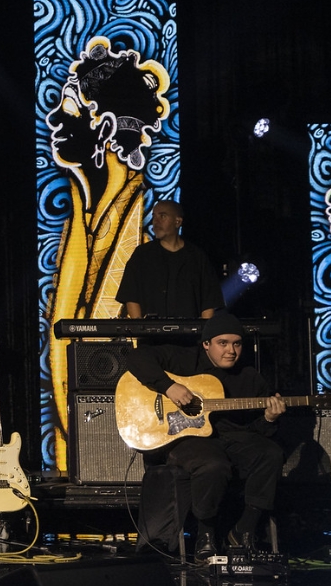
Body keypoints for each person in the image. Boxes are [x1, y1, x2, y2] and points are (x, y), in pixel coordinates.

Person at [124, 312, 286, 559]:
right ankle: (206, 534)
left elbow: (257, 431)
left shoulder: (251, 377)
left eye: (237, 343)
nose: (231, 350)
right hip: (184, 437)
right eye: (223, 343)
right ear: (206, 344)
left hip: (231, 438)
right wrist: (168, 387)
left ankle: (243, 531)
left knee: (270, 453)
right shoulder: (186, 359)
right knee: (212, 465)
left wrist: (269, 418)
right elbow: (136, 357)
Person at [116, 199, 224, 319]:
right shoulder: (142, 254)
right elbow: (130, 294)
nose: (155, 222)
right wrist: (141, 326)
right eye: (154, 216)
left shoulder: (197, 257)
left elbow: (208, 300)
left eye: (162, 216)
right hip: (150, 336)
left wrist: (203, 331)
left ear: (177, 222)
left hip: (189, 336)